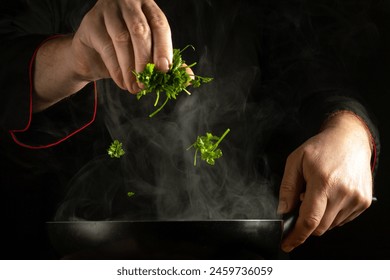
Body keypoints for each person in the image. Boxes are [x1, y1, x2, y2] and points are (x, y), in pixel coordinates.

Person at [0, 0, 380, 258]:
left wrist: (349, 129)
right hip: (66, 249)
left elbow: (311, 67)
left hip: (243, 254)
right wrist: (74, 60)